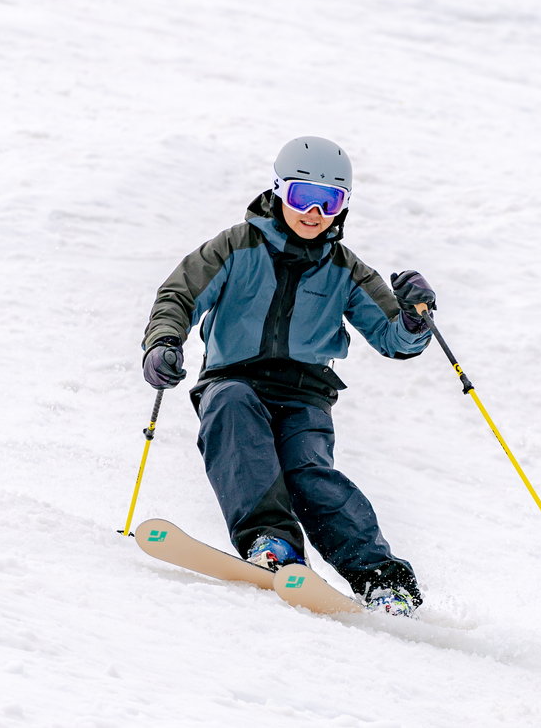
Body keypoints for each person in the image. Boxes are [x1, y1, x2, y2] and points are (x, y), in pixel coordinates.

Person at [140, 136, 435, 617]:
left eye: (330, 201)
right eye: (302, 196)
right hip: (232, 379)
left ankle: (383, 581)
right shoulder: (237, 246)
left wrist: (415, 318)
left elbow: (393, 338)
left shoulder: (347, 270)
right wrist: (163, 343)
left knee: (310, 476)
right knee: (234, 417)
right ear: (279, 191)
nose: (314, 212)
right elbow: (180, 294)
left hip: (305, 396)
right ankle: (271, 544)